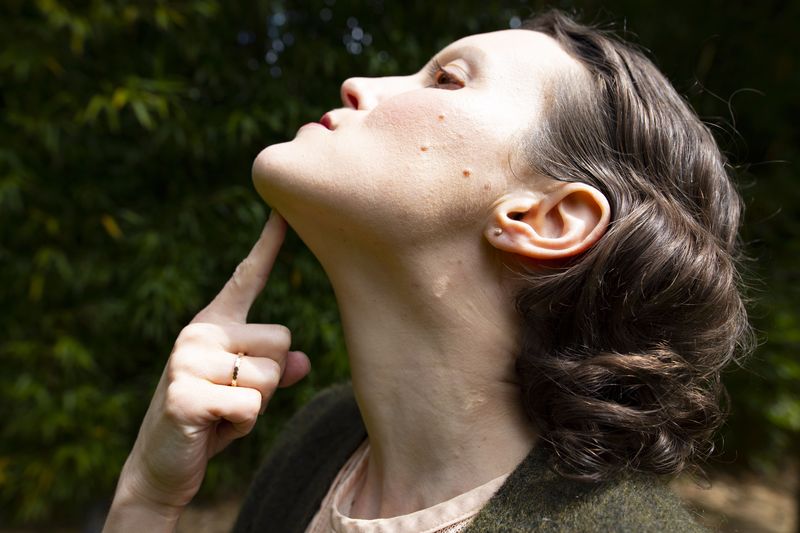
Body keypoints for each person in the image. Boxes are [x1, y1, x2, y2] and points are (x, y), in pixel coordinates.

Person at [103, 9, 751, 532]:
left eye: (445, 80)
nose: (357, 83)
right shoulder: (318, 442)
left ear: (550, 219)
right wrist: (147, 498)